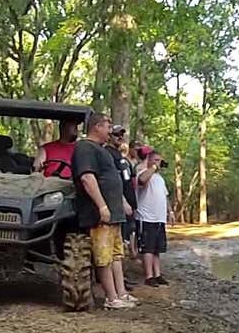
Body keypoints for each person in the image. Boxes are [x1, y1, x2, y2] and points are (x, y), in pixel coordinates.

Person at [71, 113, 136, 309]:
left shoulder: (102, 150)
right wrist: (102, 206)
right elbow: (87, 179)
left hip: (114, 213)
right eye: (108, 126)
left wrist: (122, 202)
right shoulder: (85, 148)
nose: (110, 131)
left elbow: (113, 179)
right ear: (97, 127)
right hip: (100, 214)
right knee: (104, 256)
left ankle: (121, 294)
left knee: (116, 255)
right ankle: (111, 298)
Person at [136, 148, 170, 287]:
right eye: (155, 160)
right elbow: (142, 181)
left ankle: (157, 274)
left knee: (157, 248)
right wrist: (153, 167)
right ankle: (149, 276)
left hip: (159, 218)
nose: (158, 163)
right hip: (146, 218)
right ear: (148, 160)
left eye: (159, 161)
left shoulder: (160, 179)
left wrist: (170, 212)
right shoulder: (143, 173)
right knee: (148, 248)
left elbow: (165, 196)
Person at [106, 125, 138, 258]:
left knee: (124, 239)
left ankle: (121, 274)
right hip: (118, 205)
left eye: (122, 135)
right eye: (116, 134)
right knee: (116, 243)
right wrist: (123, 201)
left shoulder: (120, 156)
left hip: (129, 206)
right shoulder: (107, 153)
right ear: (109, 136)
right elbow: (111, 182)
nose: (120, 137)